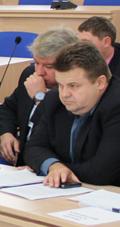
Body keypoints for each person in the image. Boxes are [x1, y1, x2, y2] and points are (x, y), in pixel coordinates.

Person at [24, 41, 120, 187]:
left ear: (100, 83)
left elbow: (100, 173)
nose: (64, 94)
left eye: (73, 86)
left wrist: (53, 169)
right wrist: (54, 166)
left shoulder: (116, 105)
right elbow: (33, 148)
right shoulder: (54, 100)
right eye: (60, 85)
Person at [0, 26, 78, 165]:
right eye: (36, 63)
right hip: (23, 165)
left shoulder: (75, 91)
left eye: (49, 66)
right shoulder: (29, 75)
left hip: (55, 165)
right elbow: (8, 109)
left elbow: (61, 136)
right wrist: (6, 134)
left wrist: (40, 97)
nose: (39, 72)